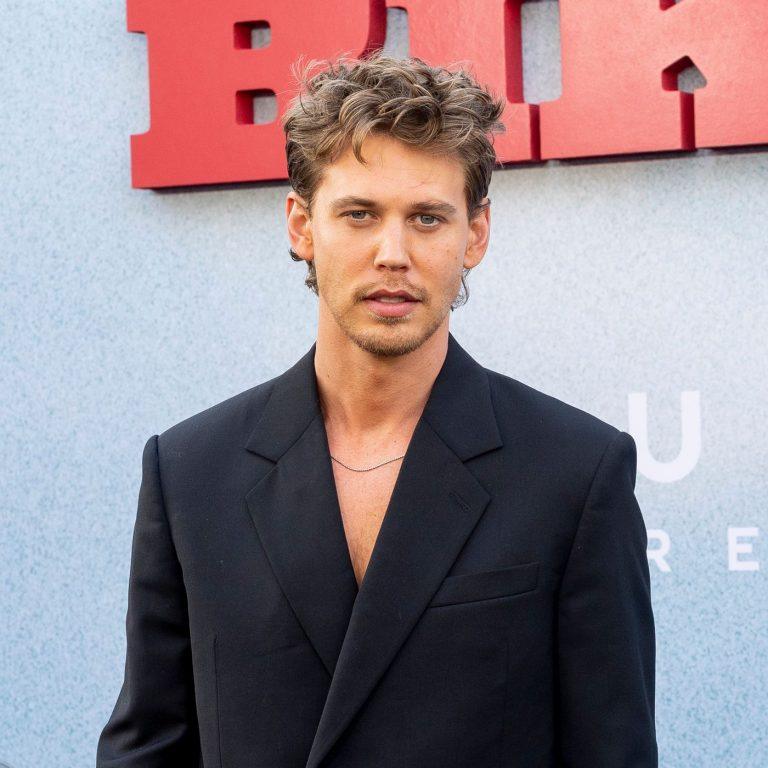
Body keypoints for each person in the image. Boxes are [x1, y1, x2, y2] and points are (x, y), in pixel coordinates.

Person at [96, 51, 658, 767]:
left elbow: (614, 751)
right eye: (359, 214)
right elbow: (148, 747)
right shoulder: (190, 473)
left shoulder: (575, 473)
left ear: (475, 234)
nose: (393, 253)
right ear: (302, 225)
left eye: (427, 218)